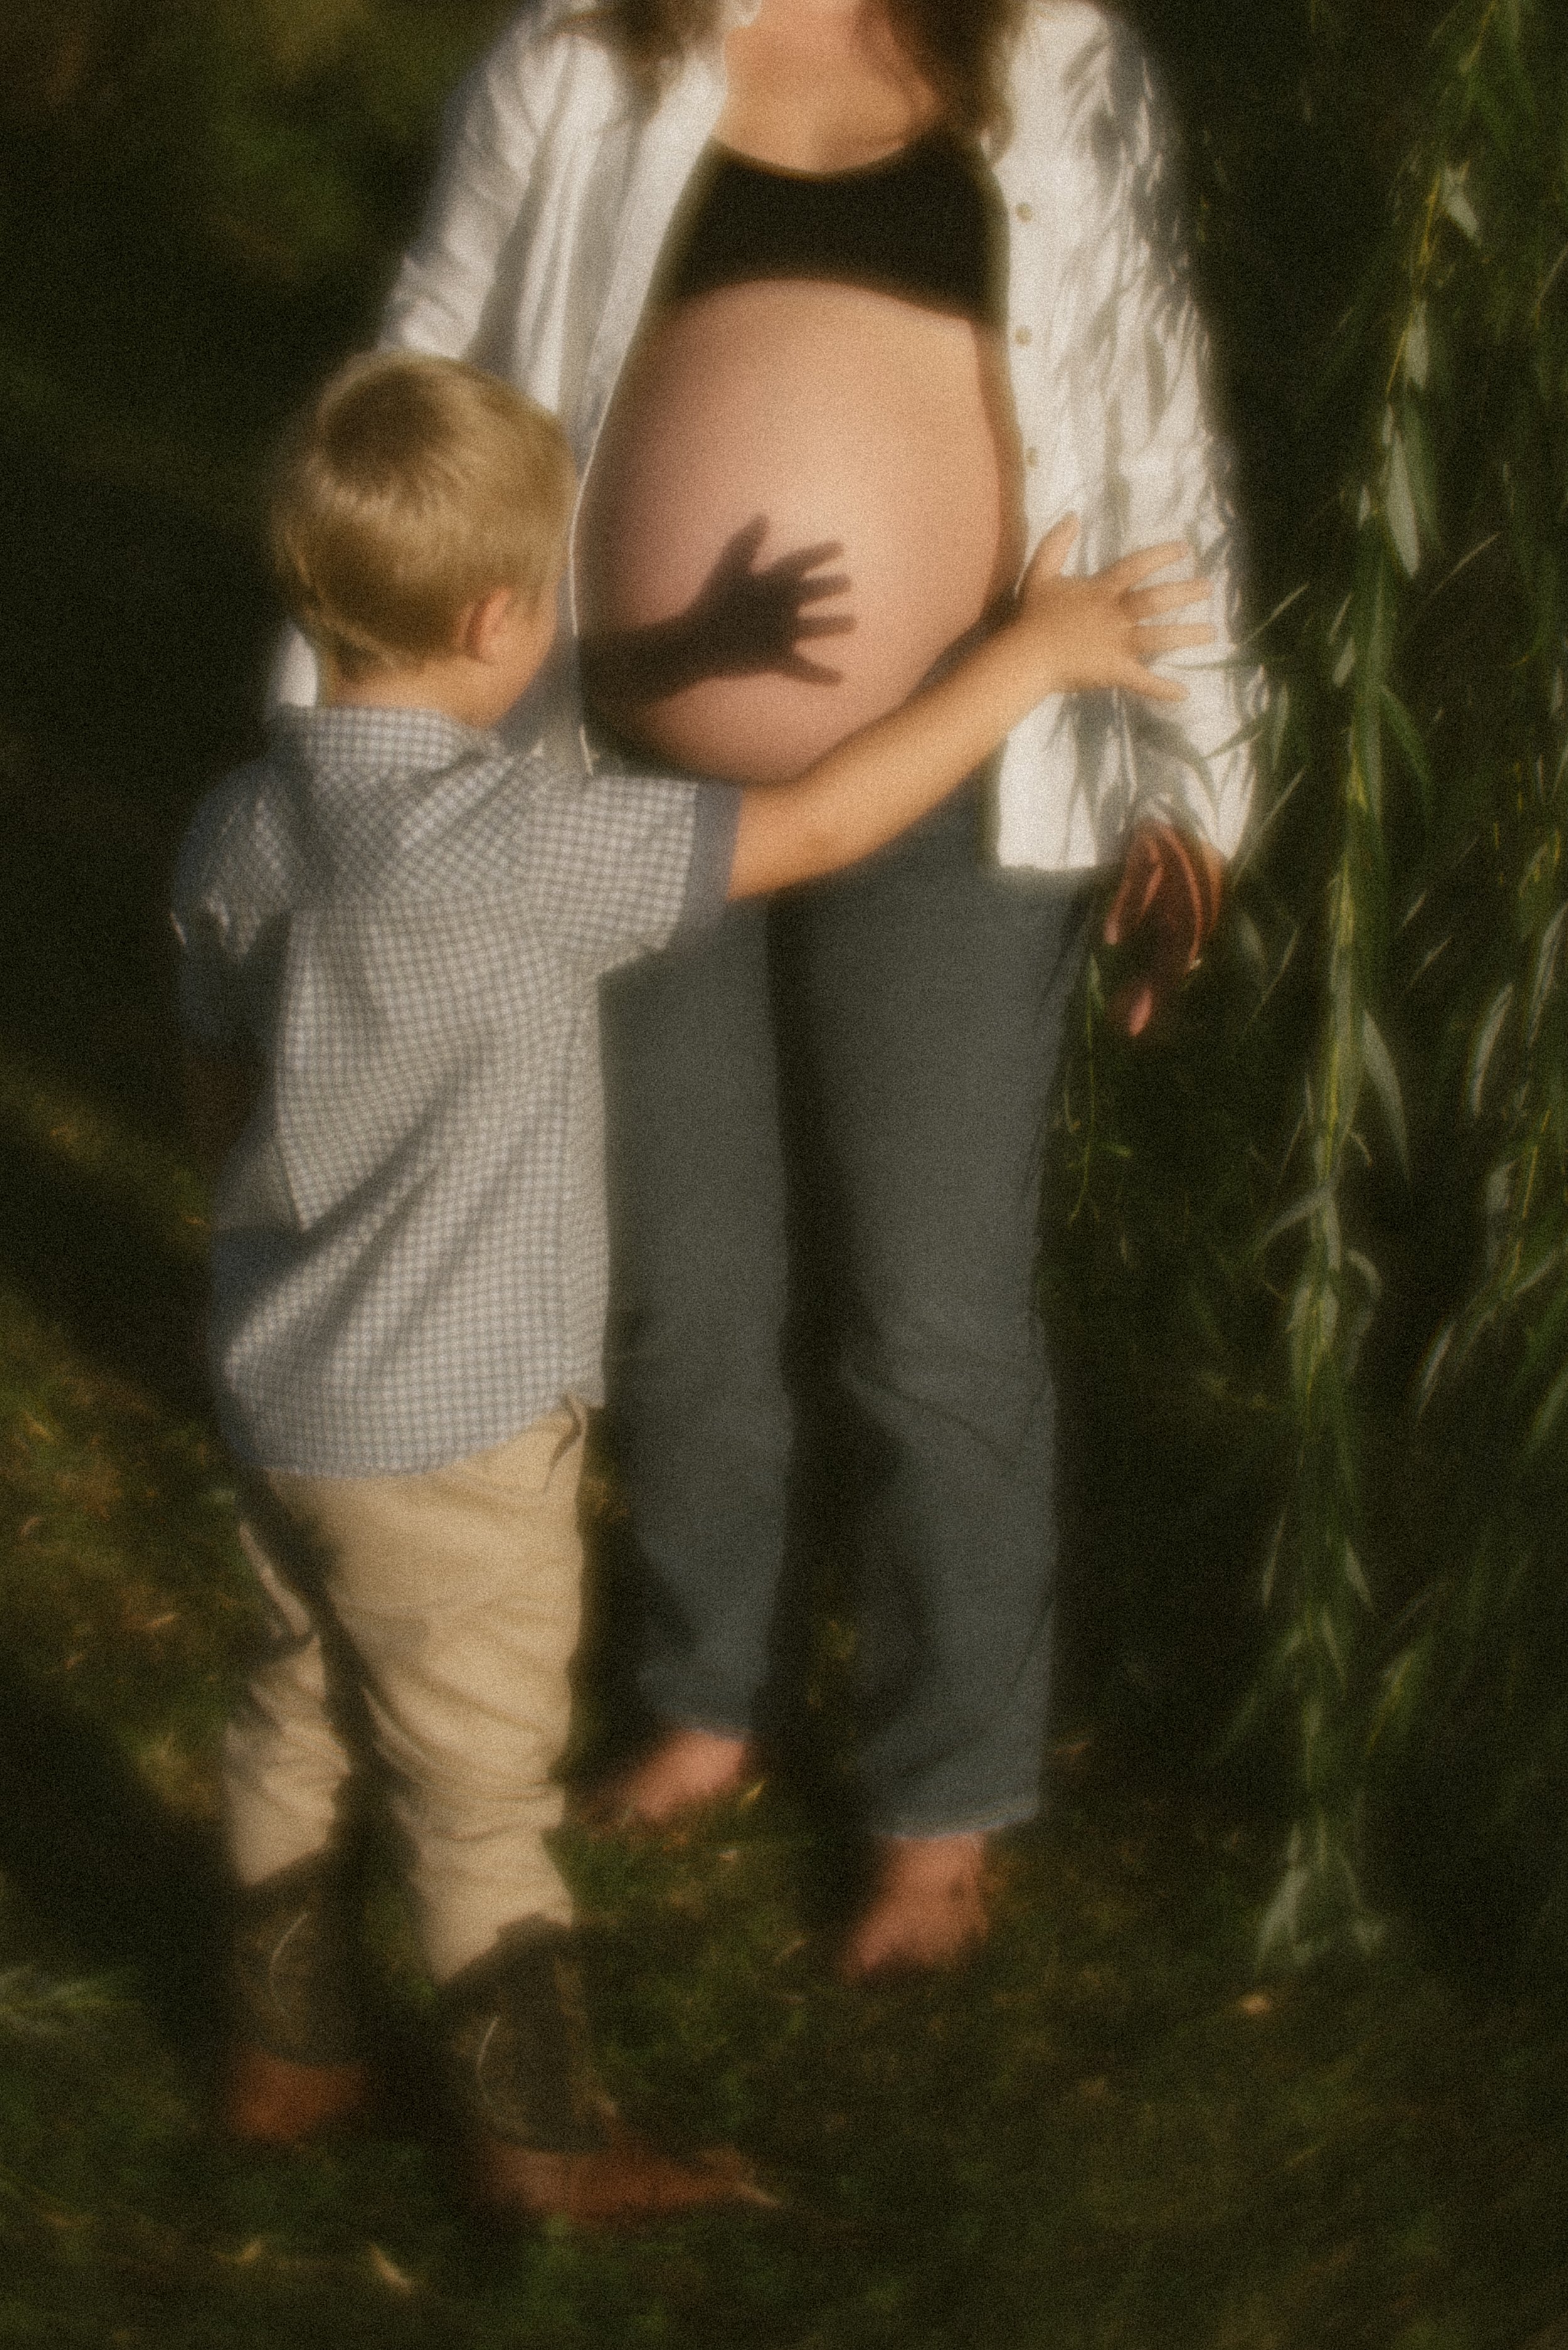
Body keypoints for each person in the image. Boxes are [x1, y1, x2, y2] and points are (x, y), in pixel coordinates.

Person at [273, 0, 1255, 1979]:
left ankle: (939, 1792)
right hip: (614, 787)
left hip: (961, 788)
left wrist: (1194, 779)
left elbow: (1152, 419)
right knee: (678, 1284)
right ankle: (705, 1689)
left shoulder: (1046, 56)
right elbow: (420, 383)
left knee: (931, 1311)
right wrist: (348, 786)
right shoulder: (575, 62)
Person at [179, 350, 1212, 2220]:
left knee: (289, 1709)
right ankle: (547, 2146)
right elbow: (813, 829)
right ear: (503, 617)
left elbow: (218, 1093)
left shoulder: (239, 832)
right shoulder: (521, 843)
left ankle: (281, 2055)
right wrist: (1024, 659)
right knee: (475, 1790)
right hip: (459, 1440)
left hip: (282, 1395)